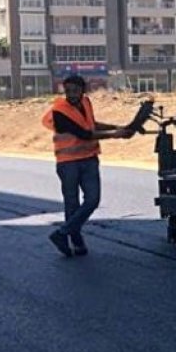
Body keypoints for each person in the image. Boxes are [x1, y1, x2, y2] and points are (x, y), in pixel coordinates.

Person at [40, 74, 134, 257]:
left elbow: (92, 125)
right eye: (68, 91)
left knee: (92, 199)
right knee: (72, 205)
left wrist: (118, 127)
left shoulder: (86, 102)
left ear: (82, 90)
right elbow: (83, 134)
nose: (71, 95)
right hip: (68, 164)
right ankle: (76, 242)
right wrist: (116, 134)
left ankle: (62, 234)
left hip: (89, 159)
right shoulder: (59, 111)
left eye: (75, 91)